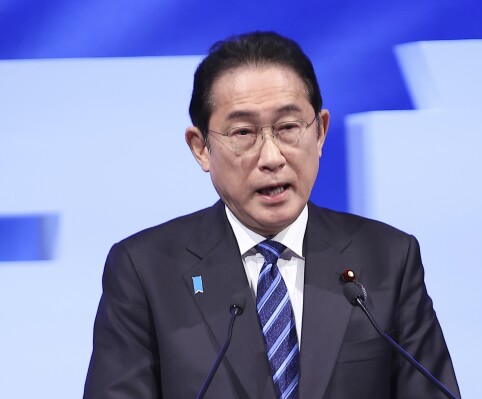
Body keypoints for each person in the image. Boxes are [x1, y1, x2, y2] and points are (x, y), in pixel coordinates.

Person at [84, 31, 460, 399]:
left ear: (321, 132)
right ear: (201, 148)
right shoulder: (145, 270)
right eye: (244, 132)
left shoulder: (389, 257)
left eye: (288, 128)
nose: (271, 158)